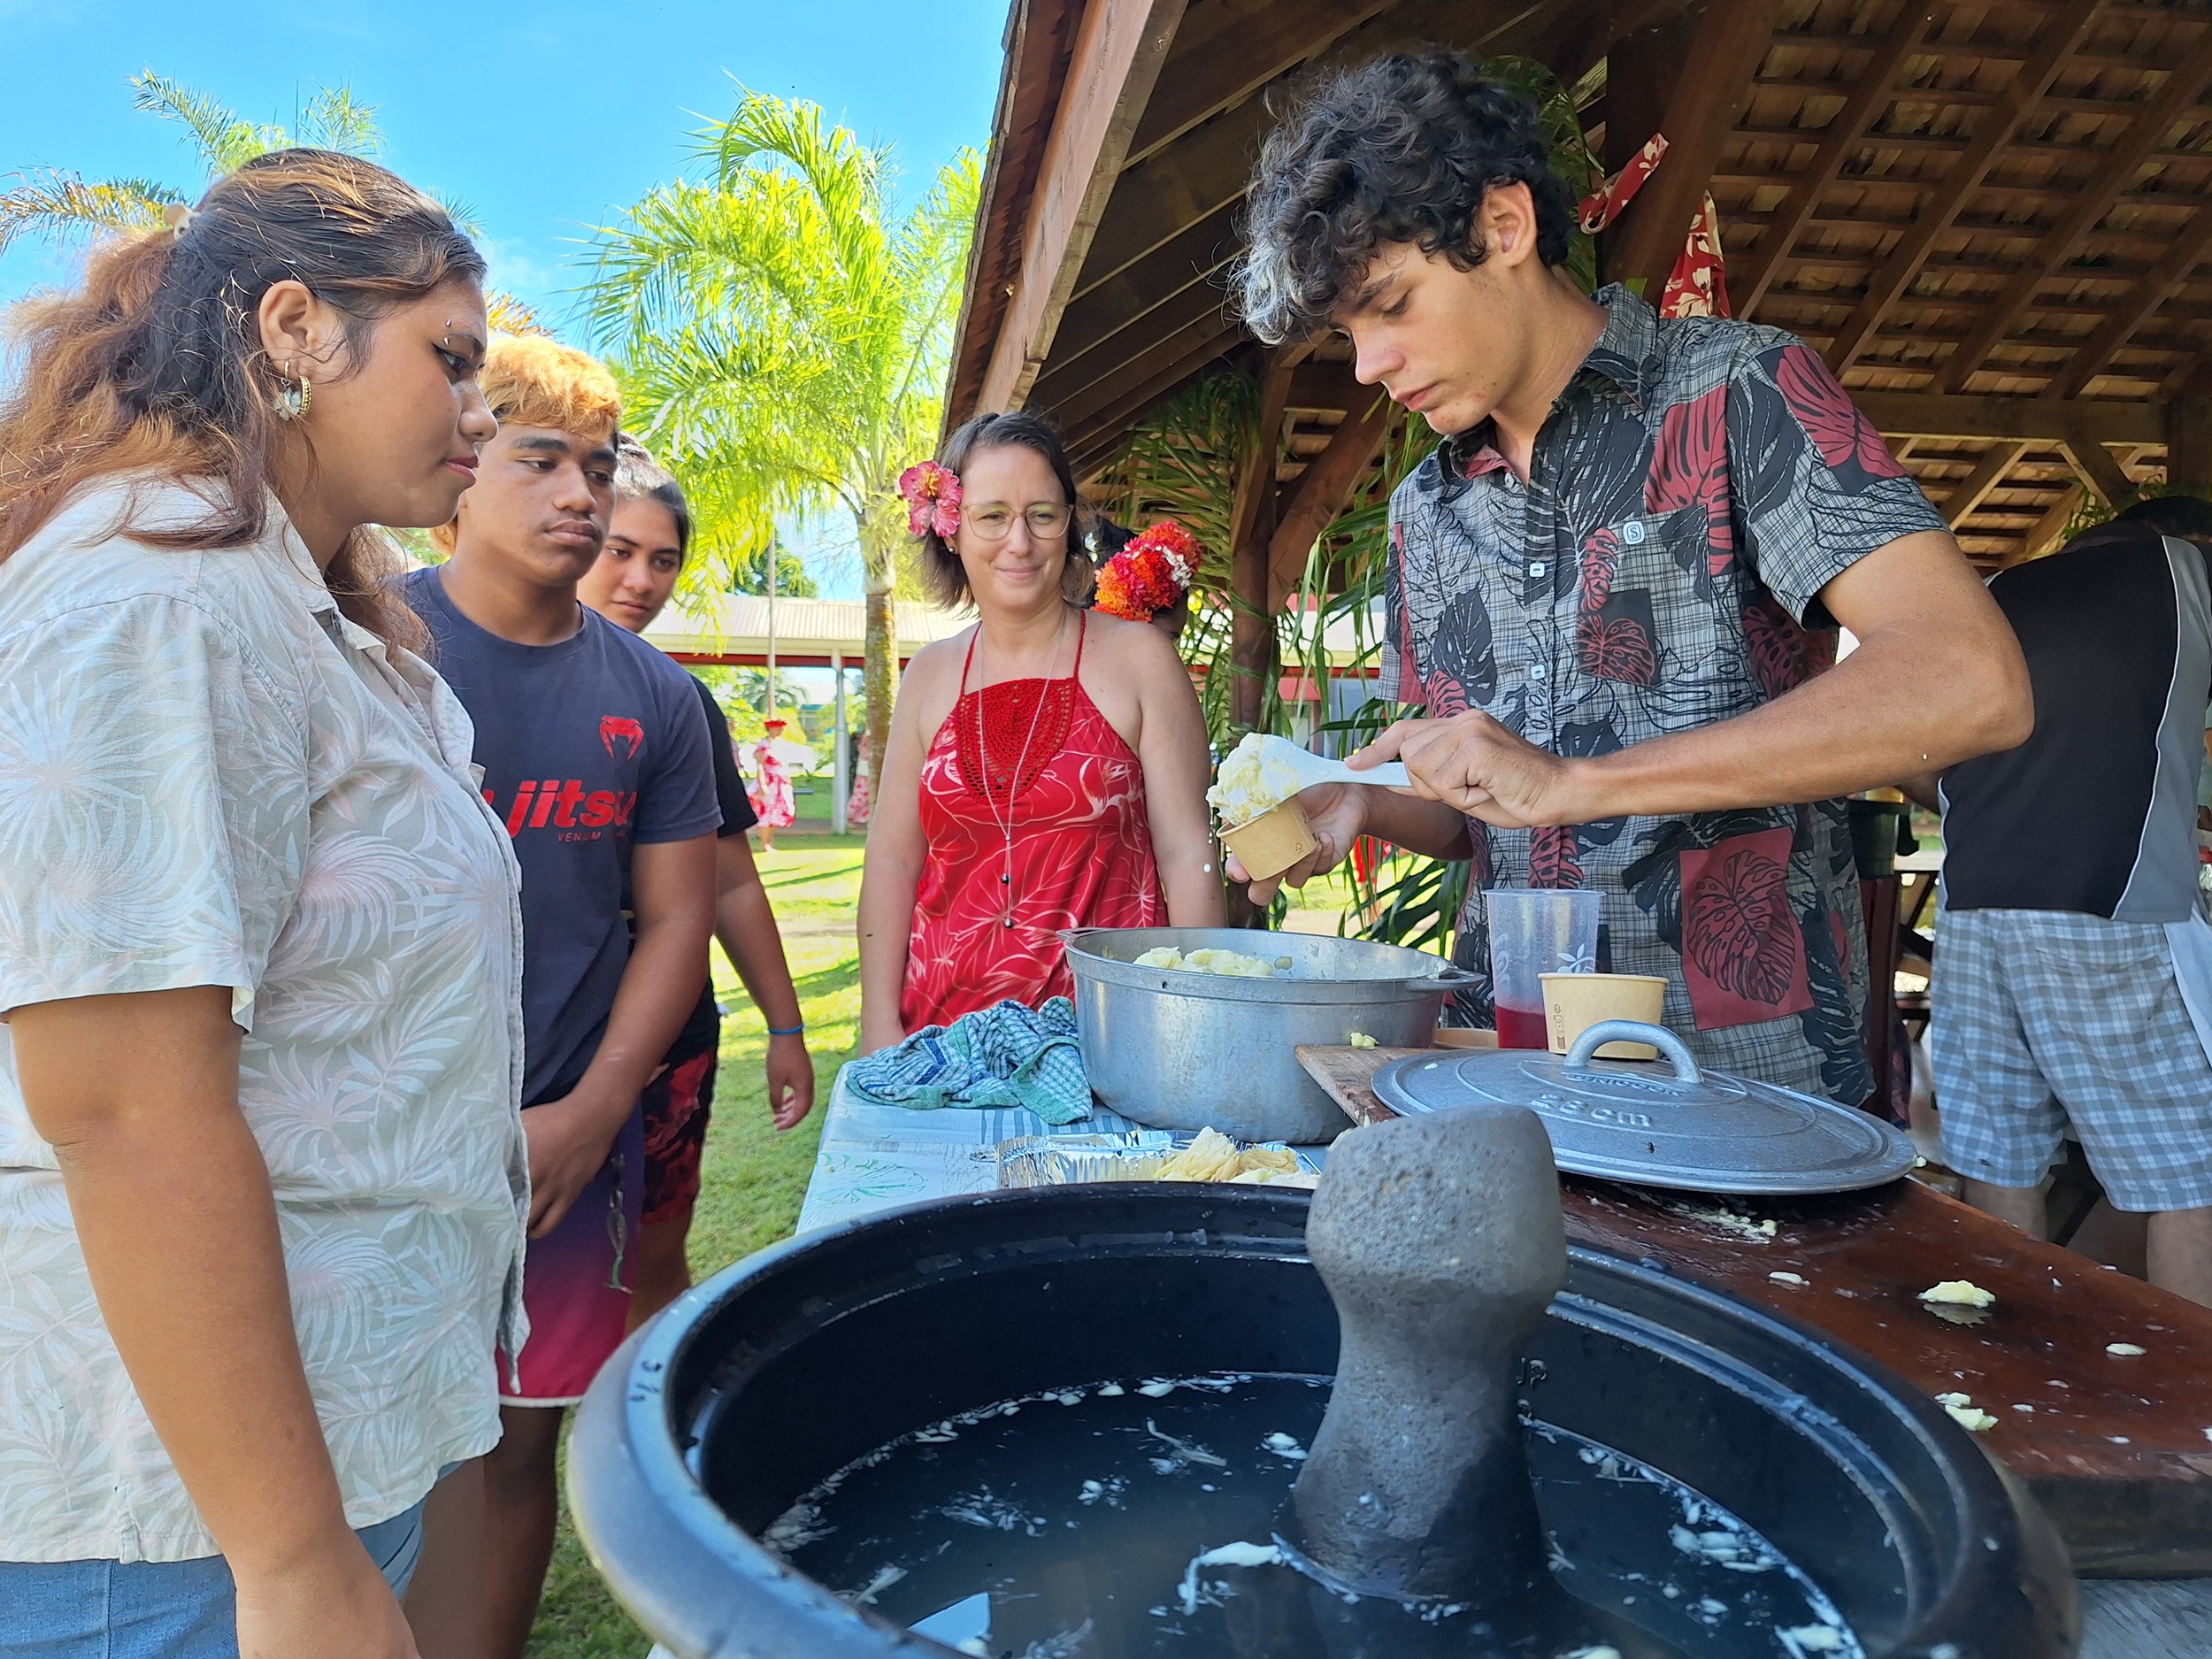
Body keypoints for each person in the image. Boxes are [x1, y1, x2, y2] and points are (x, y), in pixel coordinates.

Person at [1227, 53, 2032, 1101]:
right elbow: (1473, 804)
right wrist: (1367, 801)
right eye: (1350, 331)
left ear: (1504, 228)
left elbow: (1971, 681)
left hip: (1747, 1071)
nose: (1370, 363)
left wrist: (1578, 785)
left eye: (1391, 305)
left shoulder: (1742, 392)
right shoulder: (1429, 510)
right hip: (1503, 1065)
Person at [0, 151, 520, 1659]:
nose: (478, 411)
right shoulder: (152, 606)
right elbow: (125, 1110)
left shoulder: (276, 604)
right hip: (173, 1525)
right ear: (296, 328)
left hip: (303, 1456)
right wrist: (290, 1564)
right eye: (451, 359)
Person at [404, 337, 719, 1657]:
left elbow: (677, 916)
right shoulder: (367, 648)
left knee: (518, 1444)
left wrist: (598, 1108)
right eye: (539, 460)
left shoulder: (654, 697)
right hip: (383, 1147)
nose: (581, 495)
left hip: (562, 1149)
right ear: (460, 477)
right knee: (383, 1460)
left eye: (594, 466)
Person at [1910, 495, 2212, 1304]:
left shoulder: (2004, 585)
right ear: (2190, 536)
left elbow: (1916, 758)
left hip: (1974, 901)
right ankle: (2194, 1402)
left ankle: (2011, 1379)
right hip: (2107, 895)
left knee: (1999, 1148)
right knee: (2191, 1168)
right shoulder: (2186, 570)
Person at [857, 412, 1222, 1051]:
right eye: (992, 516)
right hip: (939, 1041)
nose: (1018, 541)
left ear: (1070, 525)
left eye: (1042, 515)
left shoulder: (1140, 660)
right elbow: (892, 860)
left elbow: (1187, 856)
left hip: (1112, 1043)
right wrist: (878, 1022)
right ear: (952, 529)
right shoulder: (928, 675)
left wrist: (1200, 1021)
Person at [577, 439, 815, 1329]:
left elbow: (730, 885)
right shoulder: (461, 677)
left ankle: (648, 1439)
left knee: (654, 1261)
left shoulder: (679, 704)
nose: (641, 578)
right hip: (531, 1043)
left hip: (670, 1037)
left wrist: (786, 1026)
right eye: (620, 551)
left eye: (663, 559)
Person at [748, 718, 797, 850]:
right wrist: (762, 784)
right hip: (769, 781)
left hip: (782, 783)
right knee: (767, 811)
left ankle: (769, 841)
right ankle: (764, 843)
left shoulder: (782, 745)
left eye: (781, 729)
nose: (779, 731)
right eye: (777, 728)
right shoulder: (764, 745)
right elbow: (760, 765)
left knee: (781, 810)